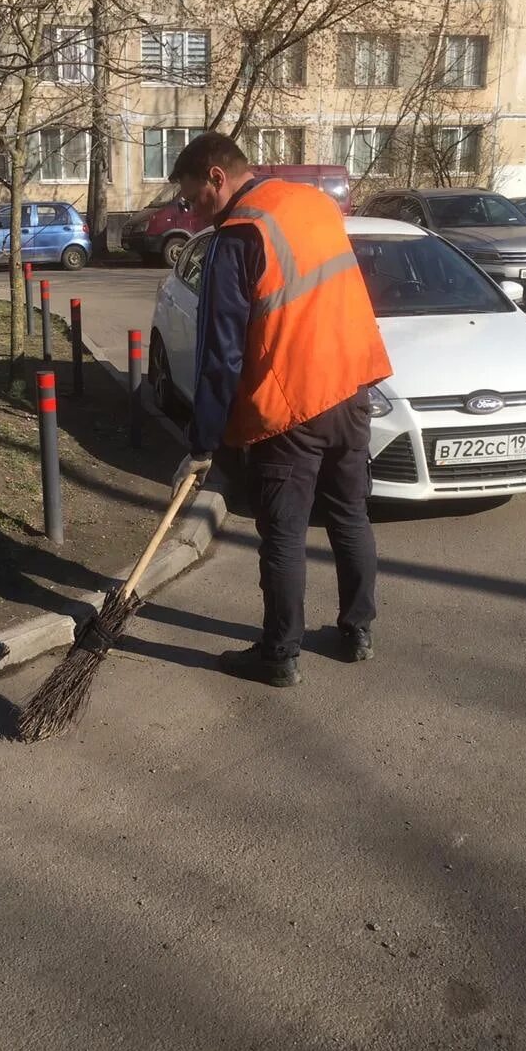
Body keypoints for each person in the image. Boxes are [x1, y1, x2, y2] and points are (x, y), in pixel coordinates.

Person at [168, 131, 392, 686]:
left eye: (193, 198)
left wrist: (202, 443)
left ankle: (279, 655)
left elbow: (219, 356)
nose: (192, 213)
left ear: (217, 177)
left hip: (293, 407)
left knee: (285, 536)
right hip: (352, 388)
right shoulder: (311, 204)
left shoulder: (238, 236)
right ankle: (357, 630)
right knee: (349, 515)